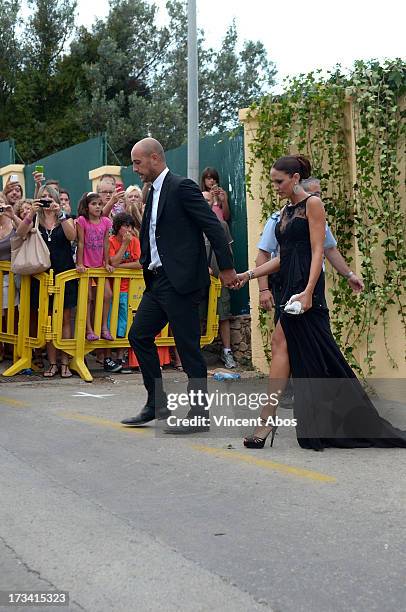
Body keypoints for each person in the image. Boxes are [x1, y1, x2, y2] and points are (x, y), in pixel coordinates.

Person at [238, 154, 406, 451]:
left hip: (306, 288)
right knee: (317, 355)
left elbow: (319, 251)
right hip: (290, 285)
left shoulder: (312, 205)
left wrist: (308, 292)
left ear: (295, 179)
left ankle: (267, 420)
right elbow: (282, 257)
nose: (275, 186)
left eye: (279, 181)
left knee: (285, 343)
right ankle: (324, 417)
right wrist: (249, 275)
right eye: (273, 181)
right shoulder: (286, 211)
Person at [121, 137, 238, 432]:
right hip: (158, 282)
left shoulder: (181, 186)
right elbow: (153, 234)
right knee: (139, 336)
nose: (135, 169)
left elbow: (212, 227)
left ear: (154, 158)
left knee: (188, 349)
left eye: (138, 162)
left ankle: (199, 414)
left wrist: (226, 268)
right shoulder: (152, 191)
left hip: (182, 283)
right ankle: (156, 404)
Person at [256, 176, 364, 318]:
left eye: (319, 194)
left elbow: (329, 249)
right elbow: (263, 254)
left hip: (313, 282)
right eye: (314, 195)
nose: (317, 199)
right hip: (287, 281)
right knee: (284, 335)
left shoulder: (319, 220)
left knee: (310, 331)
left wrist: (349, 275)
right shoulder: (279, 218)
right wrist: (263, 289)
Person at [16, 186, 77, 378]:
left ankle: (65, 362)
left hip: (64, 274)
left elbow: (72, 236)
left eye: (50, 197)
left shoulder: (64, 217)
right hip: (42, 276)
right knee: (48, 320)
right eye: (43, 197)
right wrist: (32, 212)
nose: (46, 200)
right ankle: (52, 363)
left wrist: (60, 213)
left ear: (57, 199)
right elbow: (20, 233)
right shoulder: (35, 218)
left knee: (66, 318)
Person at [76, 192, 114, 341]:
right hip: (86, 264)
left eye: (99, 204)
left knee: (107, 294)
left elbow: (106, 243)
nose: (97, 207)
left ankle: (104, 327)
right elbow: (80, 242)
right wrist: (79, 263)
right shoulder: (82, 221)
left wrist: (106, 263)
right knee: (88, 297)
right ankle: (89, 329)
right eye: (94, 204)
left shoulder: (105, 221)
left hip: (99, 265)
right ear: (87, 206)